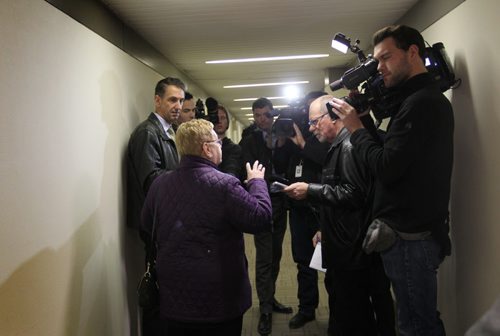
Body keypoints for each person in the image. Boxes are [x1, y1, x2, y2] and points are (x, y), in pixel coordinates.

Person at [331, 25, 454, 335]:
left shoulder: (422, 103)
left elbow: (385, 167)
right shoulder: (415, 101)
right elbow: (392, 156)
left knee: (416, 326)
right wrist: (367, 122)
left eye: (385, 58)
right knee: (416, 320)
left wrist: (356, 128)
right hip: (410, 235)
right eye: (376, 60)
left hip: (412, 238)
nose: (379, 68)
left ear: (413, 52)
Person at [140, 119, 272, 335]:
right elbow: (260, 219)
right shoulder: (225, 184)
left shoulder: (159, 184)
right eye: (217, 141)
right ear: (206, 149)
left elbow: (146, 226)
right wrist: (257, 182)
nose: (220, 144)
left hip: (173, 295)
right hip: (218, 299)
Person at [284, 95, 395, 336]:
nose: (311, 128)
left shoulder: (348, 146)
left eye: (315, 122)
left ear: (333, 118)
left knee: (353, 316)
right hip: (346, 244)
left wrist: (309, 190)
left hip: (351, 251)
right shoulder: (341, 145)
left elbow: (353, 194)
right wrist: (324, 228)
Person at [127, 76, 185, 335]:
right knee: (156, 294)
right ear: (157, 100)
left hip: (166, 222)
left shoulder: (166, 132)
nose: (178, 106)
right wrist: (187, 179)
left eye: (181, 101)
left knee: (167, 293)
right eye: (173, 99)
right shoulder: (147, 133)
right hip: (155, 225)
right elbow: (152, 181)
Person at [239, 97, 294, 336]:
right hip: (262, 205)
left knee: (277, 254)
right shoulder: (249, 141)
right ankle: (265, 309)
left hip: (281, 203)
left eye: (266, 115)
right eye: (258, 115)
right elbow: (250, 169)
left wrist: (283, 142)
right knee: (264, 257)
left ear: (273, 115)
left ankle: (270, 299)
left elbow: (291, 164)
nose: (262, 119)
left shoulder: (285, 136)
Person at [282, 91, 330, 329]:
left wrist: (303, 143)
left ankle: (339, 312)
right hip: (300, 208)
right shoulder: (299, 134)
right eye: (307, 114)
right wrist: (283, 141)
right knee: (303, 262)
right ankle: (306, 309)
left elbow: (326, 161)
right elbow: (284, 164)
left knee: (330, 264)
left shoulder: (330, 136)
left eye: (315, 116)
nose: (311, 122)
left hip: (324, 208)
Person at [214, 105, 243, 179]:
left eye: (223, 118)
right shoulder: (204, 147)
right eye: (216, 118)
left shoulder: (234, 149)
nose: (219, 121)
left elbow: (232, 170)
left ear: (227, 122)